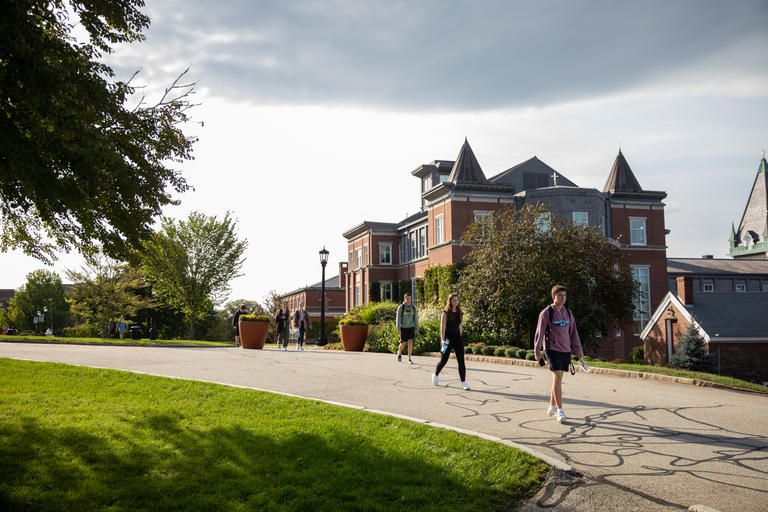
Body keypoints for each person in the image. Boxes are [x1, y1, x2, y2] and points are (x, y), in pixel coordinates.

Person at [533, 284, 584, 423]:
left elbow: (573, 333)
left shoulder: (568, 313)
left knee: (558, 380)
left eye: (564, 295)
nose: (562, 298)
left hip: (565, 350)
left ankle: (551, 406)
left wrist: (579, 349)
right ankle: (560, 411)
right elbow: (540, 333)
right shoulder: (546, 313)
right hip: (552, 350)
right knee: (557, 378)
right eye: (559, 295)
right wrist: (537, 351)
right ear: (553, 296)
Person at [432, 293, 470, 390]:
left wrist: (460, 337)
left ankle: (463, 382)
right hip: (447, 339)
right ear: (450, 301)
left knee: (461, 360)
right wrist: (442, 340)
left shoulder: (460, 312)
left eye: (457, 300)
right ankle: (436, 375)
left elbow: (460, 326)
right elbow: (443, 326)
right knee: (443, 360)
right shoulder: (445, 313)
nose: (456, 302)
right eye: (454, 300)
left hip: (457, 338)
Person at [395, 293, 418, 364]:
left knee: (410, 342)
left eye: (410, 298)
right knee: (403, 343)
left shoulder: (413, 308)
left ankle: (409, 358)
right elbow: (398, 318)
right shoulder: (401, 307)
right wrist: (398, 328)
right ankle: (399, 352)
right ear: (404, 299)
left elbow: (415, 319)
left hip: (411, 327)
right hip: (403, 328)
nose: (409, 300)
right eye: (407, 298)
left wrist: (416, 329)